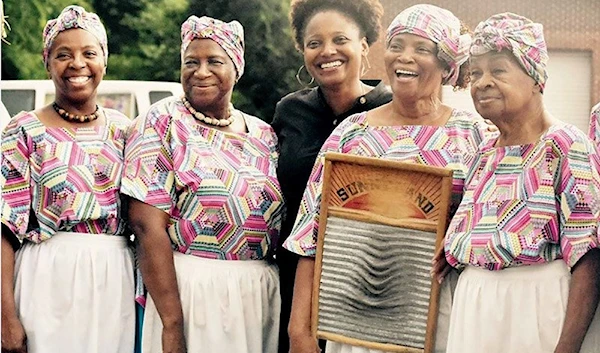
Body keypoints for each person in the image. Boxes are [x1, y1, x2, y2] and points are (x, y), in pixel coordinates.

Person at [283, 4, 488, 353]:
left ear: (446, 64)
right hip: (353, 321)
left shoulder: (472, 134)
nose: (404, 57)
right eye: (397, 45)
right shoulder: (352, 133)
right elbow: (309, 235)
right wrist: (299, 330)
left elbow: (486, 230)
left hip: (440, 319)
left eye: (421, 48)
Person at [437, 13, 600, 353]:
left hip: (538, 313)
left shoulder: (565, 145)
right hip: (474, 314)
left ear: (536, 77)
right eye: (476, 73)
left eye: (498, 70)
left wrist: (566, 347)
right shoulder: (482, 151)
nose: (482, 82)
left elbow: (589, 258)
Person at [122, 15, 284, 353]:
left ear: (236, 67)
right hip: (192, 292)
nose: (201, 71)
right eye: (191, 62)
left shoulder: (264, 135)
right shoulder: (162, 122)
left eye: (215, 61)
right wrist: (172, 324)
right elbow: (146, 226)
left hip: (257, 293)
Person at [0, 5, 135, 353]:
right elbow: (4, 230)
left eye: (89, 53)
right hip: (45, 277)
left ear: (104, 60)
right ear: (47, 62)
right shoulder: (23, 129)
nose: (77, 64)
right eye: (63, 54)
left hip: (113, 279)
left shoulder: (126, 131)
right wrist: (6, 318)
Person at [270, 1, 391, 351]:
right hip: (295, 282)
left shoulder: (391, 110)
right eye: (314, 43)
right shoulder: (290, 112)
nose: (327, 52)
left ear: (364, 45)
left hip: (366, 281)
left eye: (340, 39)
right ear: (302, 51)